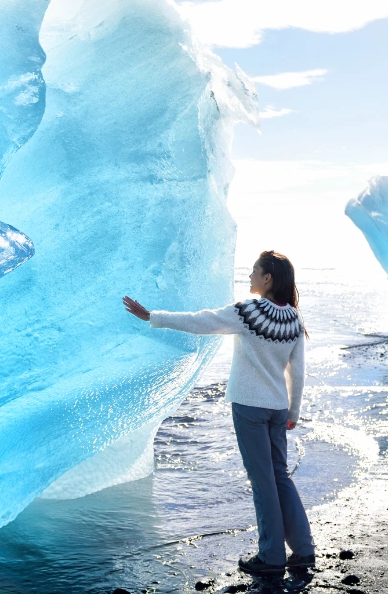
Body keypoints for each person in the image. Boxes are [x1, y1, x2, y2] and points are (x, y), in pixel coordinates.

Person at [123, 250, 315, 587]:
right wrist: (293, 411)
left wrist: (153, 316)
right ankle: (303, 549)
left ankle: (271, 556)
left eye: (254, 271)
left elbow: (201, 322)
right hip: (277, 408)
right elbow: (297, 371)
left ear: (268, 278)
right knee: (279, 476)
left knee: (263, 481)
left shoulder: (248, 312)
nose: (250, 276)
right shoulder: (294, 320)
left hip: (249, 407)